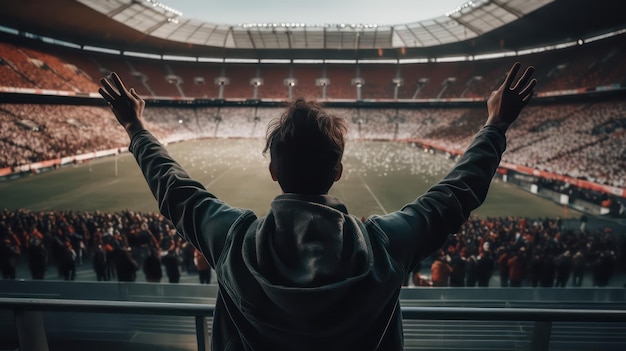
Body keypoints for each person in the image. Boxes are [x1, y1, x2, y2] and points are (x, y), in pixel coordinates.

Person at [99, 62, 536, 350]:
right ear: (339, 171)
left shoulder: (234, 241)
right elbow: (454, 195)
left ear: (272, 171)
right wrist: (495, 126)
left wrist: (135, 126)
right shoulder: (383, 246)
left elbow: (174, 188)